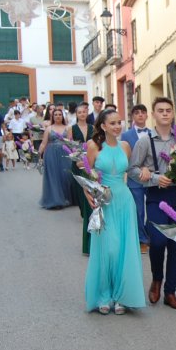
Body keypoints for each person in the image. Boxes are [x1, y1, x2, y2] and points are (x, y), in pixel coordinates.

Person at [127, 97, 176, 310]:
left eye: (168, 110)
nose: (165, 113)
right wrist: (154, 178)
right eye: (160, 110)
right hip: (156, 196)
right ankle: (157, 279)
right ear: (153, 114)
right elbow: (133, 170)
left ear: (173, 114)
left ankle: (170, 292)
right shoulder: (145, 141)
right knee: (157, 241)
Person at [83, 109, 147, 314]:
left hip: (124, 201)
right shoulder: (93, 146)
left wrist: (148, 173)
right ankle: (104, 294)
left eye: (119, 122)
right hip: (104, 203)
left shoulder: (126, 146)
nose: (117, 126)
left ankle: (121, 296)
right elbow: (87, 176)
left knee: (123, 249)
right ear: (103, 126)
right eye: (112, 123)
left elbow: (133, 172)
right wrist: (89, 195)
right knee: (107, 249)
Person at [120, 104, 153, 254]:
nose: (140, 115)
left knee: (152, 209)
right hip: (134, 178)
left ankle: (149, 234)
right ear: (133, 117)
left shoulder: (153, 133)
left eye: (143, 113)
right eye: (137, 113)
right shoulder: (126, 136)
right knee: (138, 210)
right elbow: (125, 157)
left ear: (147, 116)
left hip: (152, 177)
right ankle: (142, 239)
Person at [69, 103, 95, 255]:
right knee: (81, 193)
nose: (82, 114)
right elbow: (71, 146)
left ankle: (87, 217)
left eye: (84, 112)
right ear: (76, 114)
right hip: (78, 163)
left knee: (90, 198)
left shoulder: (93, 127)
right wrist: (77, 158)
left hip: (91, 164)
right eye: (79, 112)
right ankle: (83, 213)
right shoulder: (71, 129)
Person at [38, 109, 73, 209]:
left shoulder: (68, 128)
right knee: (54, 177)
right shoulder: (49, 129)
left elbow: (70, 143)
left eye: (60, 114)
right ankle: (56, 200)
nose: (58, 116)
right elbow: (44, 143)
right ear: (52, 117)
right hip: (51, 154)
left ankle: (66, 198)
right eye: (56, 115)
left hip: (65, 154)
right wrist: (38, 153)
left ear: (63, 116)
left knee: (65, 175)